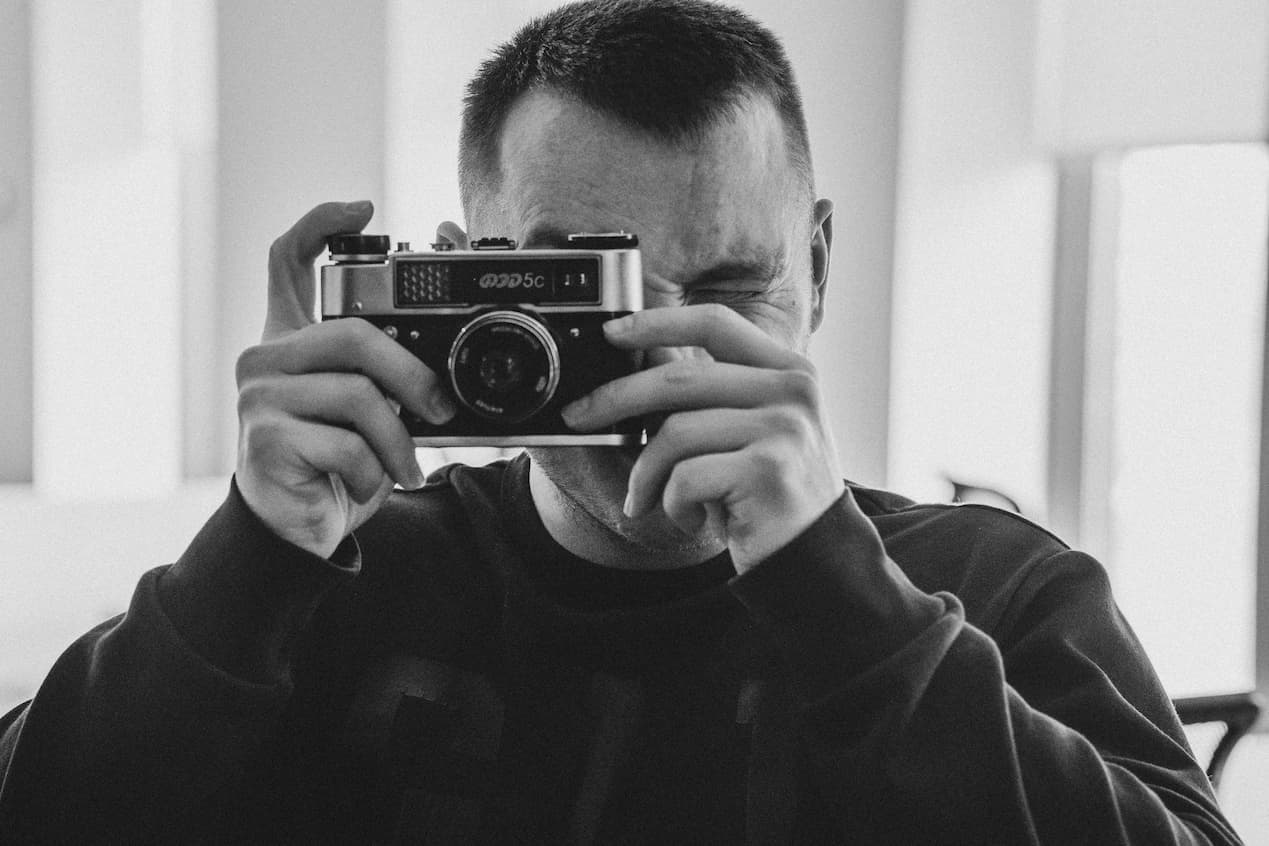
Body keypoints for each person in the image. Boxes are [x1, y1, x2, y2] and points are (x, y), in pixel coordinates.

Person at [0, 1, 1243, 843]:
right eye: (579, 296)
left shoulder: (998, 593)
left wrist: (841, 596)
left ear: (819, 264)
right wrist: (252, 559)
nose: (667, 362)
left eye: (728, 291)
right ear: (465, 289)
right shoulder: (329, 587)